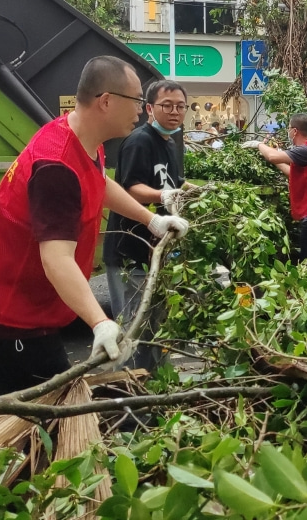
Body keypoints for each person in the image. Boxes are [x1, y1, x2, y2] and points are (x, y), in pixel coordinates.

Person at [0, 56, 189, 398]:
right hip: (14, 315)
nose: (142, 111)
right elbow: (57, 260)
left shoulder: (79, 135)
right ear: (106, 101)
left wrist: (152, 219)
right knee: (50, 417)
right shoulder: (57, 168)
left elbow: (98, 182)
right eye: (138, 101)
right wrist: (101, 323)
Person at [103, 79, 194, 372]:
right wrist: (161, 196)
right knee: (132, 330)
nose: (174, 112)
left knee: (156, 330)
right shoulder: (139, 141)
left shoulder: (170, 143)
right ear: (149, 109)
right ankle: (127, 401)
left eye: (180, 106)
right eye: (166, 105)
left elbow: (173, 183)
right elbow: (128, 188)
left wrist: (196, 191)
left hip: (156, 253)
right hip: (131, 252)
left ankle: (154, 393)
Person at [249, 114, 307, 259]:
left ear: (295, 131)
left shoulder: (305, 150)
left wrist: (259, 145)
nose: (288, 132)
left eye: (289, 128)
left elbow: (272, 156)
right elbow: (293, 173)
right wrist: (276, 161)